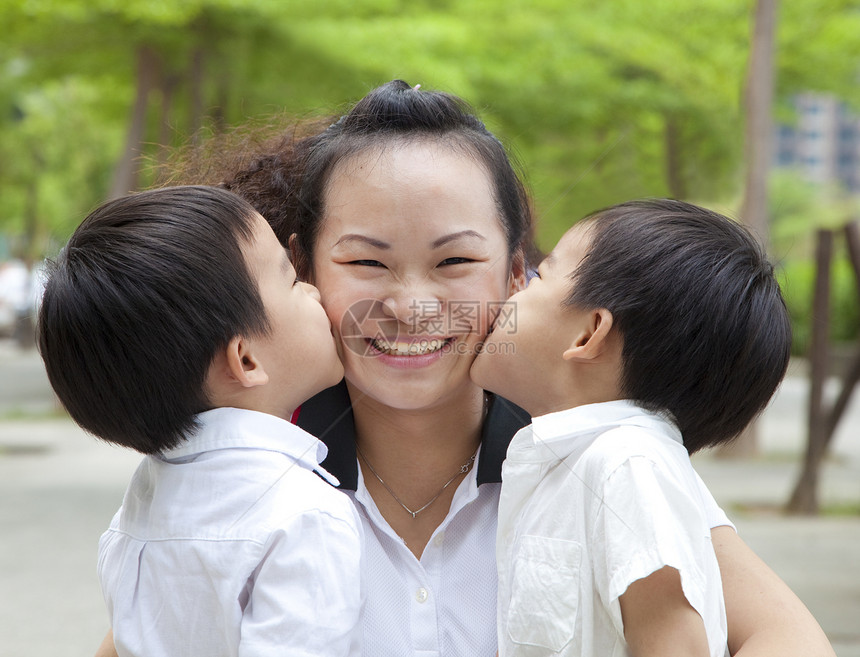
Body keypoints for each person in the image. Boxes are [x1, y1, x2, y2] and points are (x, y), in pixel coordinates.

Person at [96, 81, 835, 656]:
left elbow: (788, 635)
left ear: (518, 274)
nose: (412, 305)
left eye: (455, 261)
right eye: (365, 261)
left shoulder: (599, 467)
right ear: (303, 269)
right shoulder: (237, 481)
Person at [38, 185, 363, 656]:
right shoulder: (303, 516)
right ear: (246, 360)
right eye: (291, 280)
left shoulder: (136, 512)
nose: (313, 290)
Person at [471, 199, 800, 656]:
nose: (512, 294)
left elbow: (675, 646)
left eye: (539, 277)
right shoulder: (575, 462)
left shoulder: (627, 465)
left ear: (588, 334)